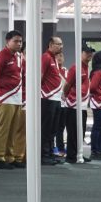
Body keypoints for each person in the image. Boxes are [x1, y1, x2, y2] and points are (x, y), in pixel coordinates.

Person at [0, 30, 25, 170]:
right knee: (3, 129)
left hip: (17, 97)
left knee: (14, 129)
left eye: (20, 41)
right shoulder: (2, 56)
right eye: (16, 41)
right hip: (4, 97)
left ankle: (10, 156)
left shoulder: (19, 56)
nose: (19, 44)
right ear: (7, 41)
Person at [62, 45, 94, 164]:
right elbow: (67, 84)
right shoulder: (76, 68)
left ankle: (78, 153)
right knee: (73, 132)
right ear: (80, 53)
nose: (89, 54)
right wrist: (66, 96)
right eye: (87, 52)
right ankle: (71, 156)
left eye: (91, 52)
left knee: (81, 131)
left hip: (82, 105)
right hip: (73, 105)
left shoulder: (85, 67)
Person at [39, 36, 65, 165]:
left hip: (55, 98)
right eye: (58, 44)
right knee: (46, 128)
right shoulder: (46, 57)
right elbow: (40, 76)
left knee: (53, 128)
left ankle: (49, 153)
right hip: (47, 97)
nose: (61, 46)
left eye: (62, 44)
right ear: (50, 44)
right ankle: (43, 155)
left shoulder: (54, 58)